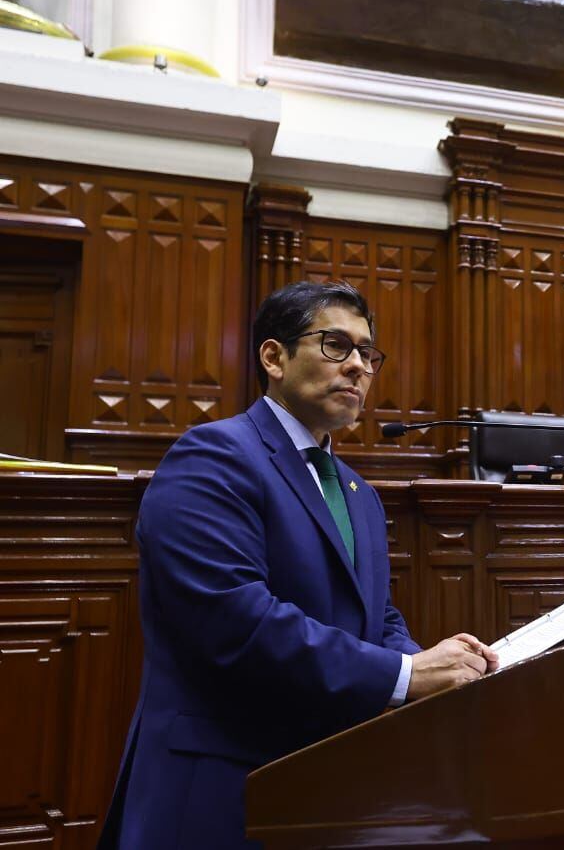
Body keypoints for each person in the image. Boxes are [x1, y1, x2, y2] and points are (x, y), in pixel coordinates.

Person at [98, 282, 499, 850]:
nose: (358, 366)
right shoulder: (213, 457)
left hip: (325, 777)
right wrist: (407, 677)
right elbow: (236, 623)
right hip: (225, 781)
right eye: (336, 345)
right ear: (274, 357)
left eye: (367, 353)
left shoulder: (359, 490)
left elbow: (375, 614)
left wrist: (433, 663)